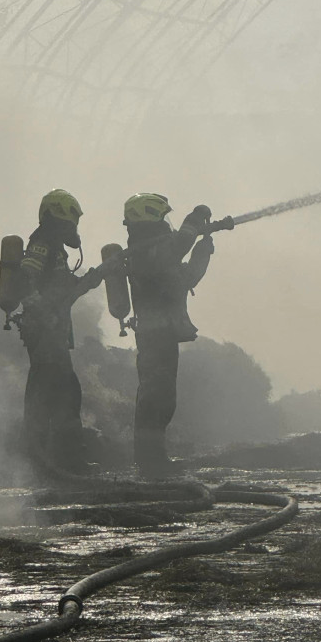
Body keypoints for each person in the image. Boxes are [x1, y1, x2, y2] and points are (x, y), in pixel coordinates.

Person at [124, 193, 221, 479]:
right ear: (149, 218)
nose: (167, 223)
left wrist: (203, 251)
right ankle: (149, 462)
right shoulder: (145, 249)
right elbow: (177, 246)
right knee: (155, 397)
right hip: (154, 335)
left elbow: (186, 278)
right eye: (162, 217)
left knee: (164, 398)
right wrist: (194, 219)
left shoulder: (158, 251)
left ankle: (155, 458)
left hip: (164, 333)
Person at [19, 189, 102, 476]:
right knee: (61, 392)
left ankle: (47, 459)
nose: (74, 229)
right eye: (71, 222)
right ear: (59, 217)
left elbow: (62, 291)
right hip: (45, 334)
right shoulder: (43, 242)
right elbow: (26, 277)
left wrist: (89, 281)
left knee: (53, 392)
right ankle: (58, 460)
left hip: (52, 332)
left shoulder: (54, 246)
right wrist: (39, 311)